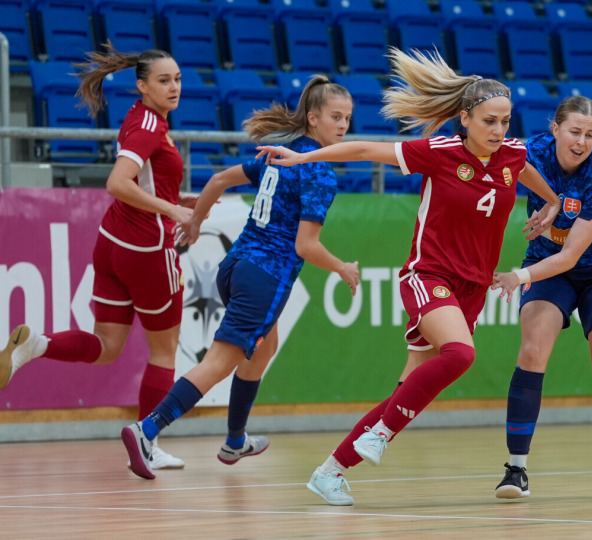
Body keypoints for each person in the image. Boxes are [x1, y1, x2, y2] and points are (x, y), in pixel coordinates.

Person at [255, 47, 561, 506]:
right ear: (464, 120)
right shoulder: (438, 152)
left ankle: (330, 471)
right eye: (489, 122)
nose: (499, 131)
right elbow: (362, 149)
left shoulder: (512, 155)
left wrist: (552, 204)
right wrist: (300, 159)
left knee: (407, 393)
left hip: (472, 287)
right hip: (428, 273)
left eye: (505, 121)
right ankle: (379, 433)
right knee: (459, 355)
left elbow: (532, 177)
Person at [121, 75, 360, 480]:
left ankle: (235, 440)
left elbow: (216, 180)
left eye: (348, 119)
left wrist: (195, 223)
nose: (343, 126)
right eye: (335, 117)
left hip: (234, 268)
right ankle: (147, 430)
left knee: (265, 347)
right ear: (313, 118)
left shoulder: (279, 153)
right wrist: (341, 267)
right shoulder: (318, 171)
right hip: (265, 275)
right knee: (218, 362)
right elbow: (305, 246)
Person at [0, 45, 196, 469]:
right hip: (146, 249)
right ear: (142, 85)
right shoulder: (148, 127)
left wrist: (177, 199)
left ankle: (37, 344)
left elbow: (141, 184)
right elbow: (117, 183)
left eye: (177, 78)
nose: (174, 86)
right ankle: (147, 439)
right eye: (164, 80)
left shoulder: (140, 117)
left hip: (112, 243)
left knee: (108, 346)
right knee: (163, 353)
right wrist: (171, 210)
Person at [487, 96, 592, 500]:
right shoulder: (528, 153)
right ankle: (516, 469)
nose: (581, 142)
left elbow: (571, 256)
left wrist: (517, 277)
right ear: (556, 128)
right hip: (546, 265)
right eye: (574, 132)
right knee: (532, 352)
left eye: (590, 135)